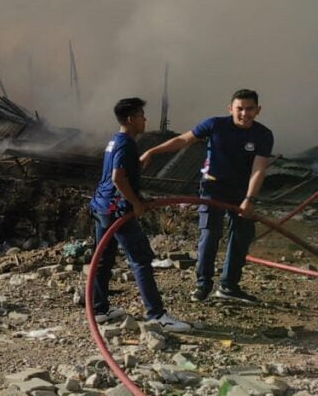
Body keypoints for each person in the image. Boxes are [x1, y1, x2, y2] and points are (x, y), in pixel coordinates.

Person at [140, 89, 273, 303]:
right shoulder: (215, 125)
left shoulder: (263, 135)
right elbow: (183, 140)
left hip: (241, 191)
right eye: (240, 108)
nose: (244, 113)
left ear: (258, 110)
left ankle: (229, 286)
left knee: (241, 236)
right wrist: (152, 151)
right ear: (230, 108)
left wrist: (249, 199)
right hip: (213, 188)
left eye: (249, 109)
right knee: (210, 236)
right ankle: (203, 285)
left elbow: (259, 168)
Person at [88, 98, 191, 331]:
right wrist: (135, 203)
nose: (145, 120)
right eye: (142, 116)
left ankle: (99, 309)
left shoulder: (114, 141)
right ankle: (157, 316)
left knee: (103, 259)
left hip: (102, 206)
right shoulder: (126, 144)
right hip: (117, 209)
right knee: (141, 259)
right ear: (131, 119)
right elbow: (117, 178)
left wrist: (140, 199)